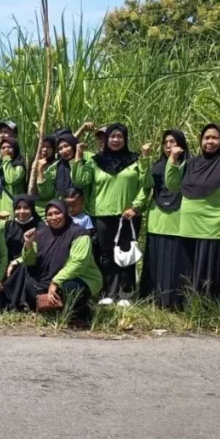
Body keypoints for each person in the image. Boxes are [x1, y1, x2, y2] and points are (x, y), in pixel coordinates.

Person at [164, 124, 220, 310]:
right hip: (188, 228)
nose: (210, 141)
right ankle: (188, 308)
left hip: (215, 229)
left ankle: (212, 310)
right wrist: (173, 160)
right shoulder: (192, 163)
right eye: (206, 137)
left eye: (214, 138)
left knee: (212, 276)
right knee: (189, 274)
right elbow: (173, 185)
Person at [73, 123, 148, 306]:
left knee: (127, 253)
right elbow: (80, 180)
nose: (115, 140)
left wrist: (136, 207)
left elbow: (146, 185)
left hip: (128, 215)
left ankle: (126, 293)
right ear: (107, 140)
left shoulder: (135, 160)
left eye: (119, 136)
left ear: (125, 139)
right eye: (112, 137)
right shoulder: (96, 161)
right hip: (102, 214)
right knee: (107, 255)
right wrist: (78, 156)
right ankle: (108, 292)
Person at [9, 199, 102, 325]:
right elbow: (30, 261)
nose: (54, 217)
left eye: (57, 213)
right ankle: (55, 308)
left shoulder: (79, 233)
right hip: (50, 278)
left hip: (80, 277)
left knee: (70, 288)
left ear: (65, 213)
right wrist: (28, 243)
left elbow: (78, 263)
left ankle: (79, 313)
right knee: (31, 282)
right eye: (50, 214)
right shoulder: (42, 233)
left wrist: (55, 282)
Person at [139, 129, 189, 309]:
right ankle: (153, 299)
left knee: (176, 261)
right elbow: (146, 184)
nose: (168, 146)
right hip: (158, 219)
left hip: (179, 221)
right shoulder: (157, 166)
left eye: (173, 142)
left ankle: (176, 301)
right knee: (157, 260)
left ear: (181, 145)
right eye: (165, 142)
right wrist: (145, 158)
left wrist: (174, 161)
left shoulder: (189, 166)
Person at [0, 136, 27, 218]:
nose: (6, 150)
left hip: (10, 208)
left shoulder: (19, 167)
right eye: (3, 148)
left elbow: (11, 179)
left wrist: (6, 158)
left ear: (15, 149)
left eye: (9, 147)